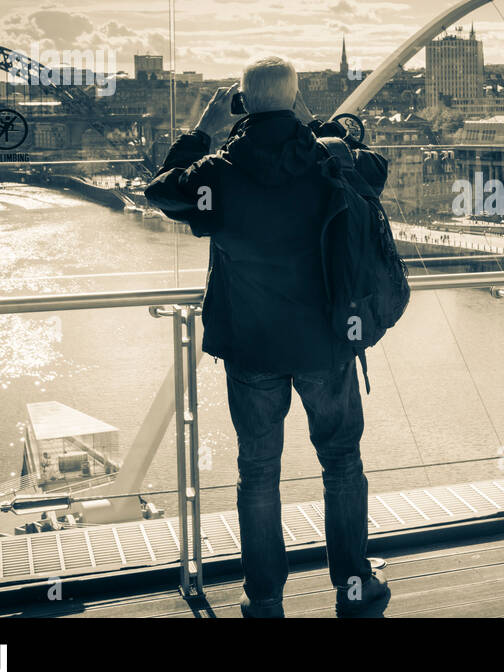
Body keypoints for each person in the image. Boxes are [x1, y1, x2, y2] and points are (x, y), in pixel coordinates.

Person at [146, 56, 390, 618]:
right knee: (342, 462)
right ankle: (354, 588)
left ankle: (264, 601)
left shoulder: (218, 173)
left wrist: (201, 131)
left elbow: (159, 191)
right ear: (296, 99)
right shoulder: (326, 158)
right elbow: (374, 173)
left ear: (242, 104)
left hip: (252, 346)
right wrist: (317, 125)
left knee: (258, 471)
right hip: (327, 341)